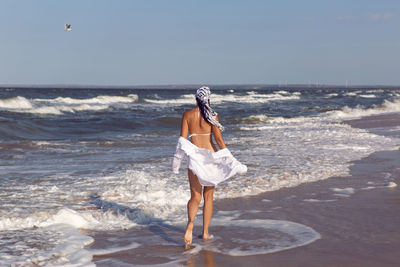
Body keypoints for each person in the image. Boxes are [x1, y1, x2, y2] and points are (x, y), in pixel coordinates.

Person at [172, 86, 247, 247]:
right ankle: (205, 233)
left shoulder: (187, 115)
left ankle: (190, 223)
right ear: (209, 99)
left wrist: (176, 163)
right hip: (211, 159)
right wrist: (230, 158)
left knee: (195, 197)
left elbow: (182, 141)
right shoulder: (213, 116)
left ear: (196, 99)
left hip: (195, 160)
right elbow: (219, 141)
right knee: (208, 197)